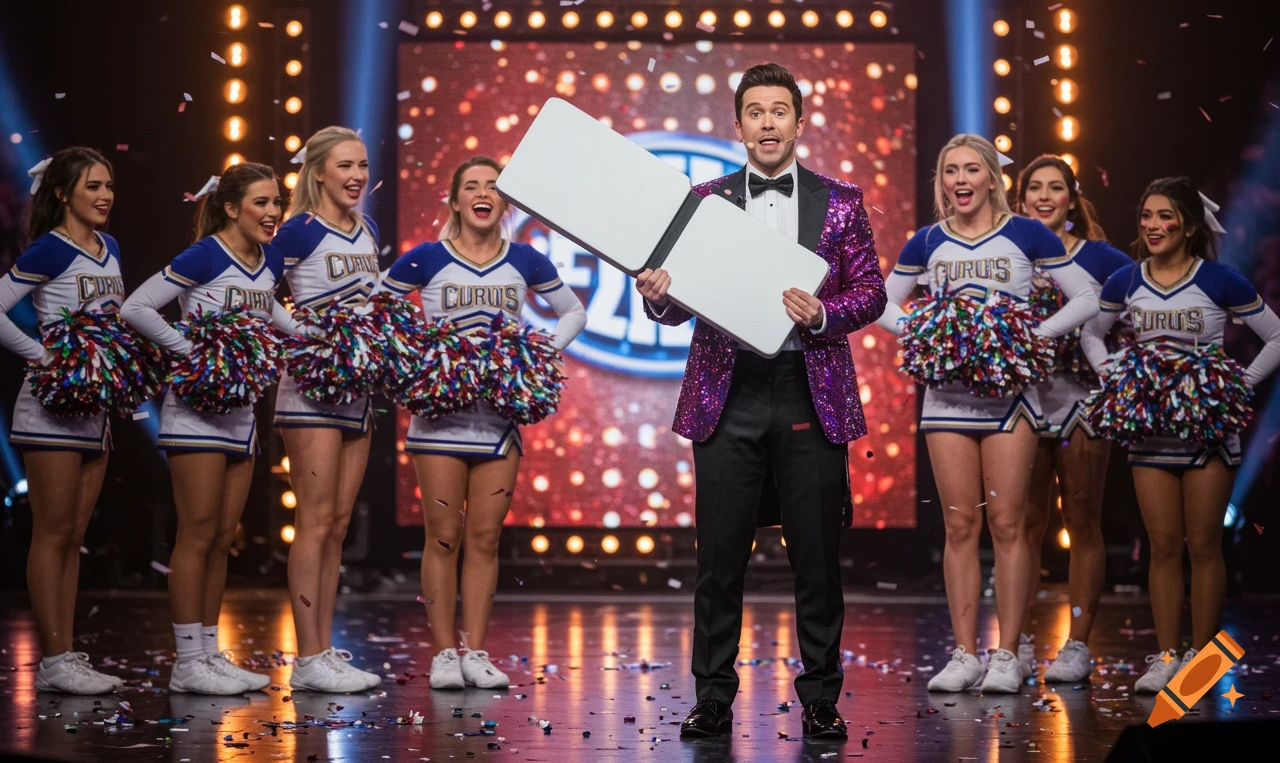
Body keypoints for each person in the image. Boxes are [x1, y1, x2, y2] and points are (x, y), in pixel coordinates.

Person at [636, 63, 887, 741]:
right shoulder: (704, 202)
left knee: (815, 556)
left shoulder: (840, 200)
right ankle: (712, 696)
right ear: (739, 123)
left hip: (809, 386)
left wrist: (823, 314)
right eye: (756, 111)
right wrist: (657, 296)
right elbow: (673, 300)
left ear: (800, 123)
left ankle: (821, 697)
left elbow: (872, 293)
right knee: (719, 558)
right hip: (730, 390)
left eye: (781, 111)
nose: (769, 122)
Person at [876, 135, 1100, 694]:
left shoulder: (1025, 232)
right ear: (941, 181)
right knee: (959, 525)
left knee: (1007, 523)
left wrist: (1031, 335)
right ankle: (963, 654)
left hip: (1011, 400)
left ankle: (1006, 653)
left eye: (971, 168)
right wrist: (927, 332)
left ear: (991, 179)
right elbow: (881, 302)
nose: (960, 178)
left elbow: (1088, 296)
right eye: (950, 170)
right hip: (947, 398)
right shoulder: (927, 241)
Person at [382, 155, 586, 691]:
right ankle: (444, 653)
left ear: (505, 202)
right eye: (470, 186)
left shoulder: (526, 259)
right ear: (454, 202)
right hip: (438, 423)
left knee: (486, 539)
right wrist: (417, 356)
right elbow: (377, 312)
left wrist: (535, 354)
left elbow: (574, 312)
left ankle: (476, 651)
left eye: (493, 186)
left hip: (497, 423)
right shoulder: (426, 257)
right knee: (443, 537)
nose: (482, 193)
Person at [1078, 177, 1280, 694]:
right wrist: (1115, 375)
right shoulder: (1125, 281)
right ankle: (1167, 655)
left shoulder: (1219, 280)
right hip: (1151, 436)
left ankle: (1202, 662)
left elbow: (1276, 335)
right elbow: (1091, 333)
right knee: (1164, 546)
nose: (1153, 225)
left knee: (1204, 545)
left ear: (1189, 226)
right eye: (1147, 215)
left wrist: (1237, 382)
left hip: (1207, 434)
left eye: (1165, 216)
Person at [122, 163, 299, 695]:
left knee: (224, 537)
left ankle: (209, 653)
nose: (272, 214)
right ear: (230, 207)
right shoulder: (202, 254)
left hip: (242, 413)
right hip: (195, 410)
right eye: (262, 203)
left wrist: (304, 335)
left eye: (277, 204)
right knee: (197, 533)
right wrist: (192, 351)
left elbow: (262, 304)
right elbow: (137, 307)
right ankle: (187, 662)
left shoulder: (268, 258)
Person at [0, 148, 126, 693]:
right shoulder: (50, 248)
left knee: (73, 534)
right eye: (92, 186)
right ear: (62, 194)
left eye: (109, 186)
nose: (104, 196)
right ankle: (53, 660)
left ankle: (66, 655)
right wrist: (42, 354)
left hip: (94, 408)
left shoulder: (110, 246)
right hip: (49, 406)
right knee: (51, 535)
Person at [271, 127, 384, 693]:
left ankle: (322, 650)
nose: (357, 176)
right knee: (313, 522)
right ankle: (307, 653)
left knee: (337, 525)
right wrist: (304, 336)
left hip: (356, 391)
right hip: (309, 391)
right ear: (318, 172)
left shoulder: (367, 229)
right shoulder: (298, 230)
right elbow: (253, 286)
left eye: (362, 165)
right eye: (345, 166)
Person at [1016, 155, 1132, 683]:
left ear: (1071, 196)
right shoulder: (1008, 251)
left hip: (1082, 401)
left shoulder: (1103, 258)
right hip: (1021, 402)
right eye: (1034, 188)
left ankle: (1077, 647)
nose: (1044, 196)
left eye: (1054, 187)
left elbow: (1129, 323)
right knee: (1021, 524)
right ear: (1020, 200)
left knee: (1081, 522)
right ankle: (1013, 642)